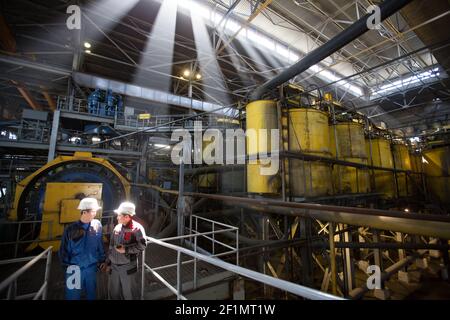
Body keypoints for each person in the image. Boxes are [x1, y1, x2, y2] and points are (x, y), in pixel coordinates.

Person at [59, 197, 106, 300]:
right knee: (73, 297)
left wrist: (102, 260)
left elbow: (100, 244)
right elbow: (63, 251)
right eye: (93, 211)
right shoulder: (70, 229)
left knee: (91, 295)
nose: (95, 214)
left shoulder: (97, 225)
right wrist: (67, 267)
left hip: (92, 268)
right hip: (74, 269)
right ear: (84, 212)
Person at [107, 201, 147, 300]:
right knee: (113, 293)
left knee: (129, 294)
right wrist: (108, 262)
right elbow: (111, 246)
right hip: (114, 267)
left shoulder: (137, 229)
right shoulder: (117, 227)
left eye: (119, 215)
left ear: (127, 216)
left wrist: (126, 249)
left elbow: (142, 245)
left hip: (128, 266)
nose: (117, 217)